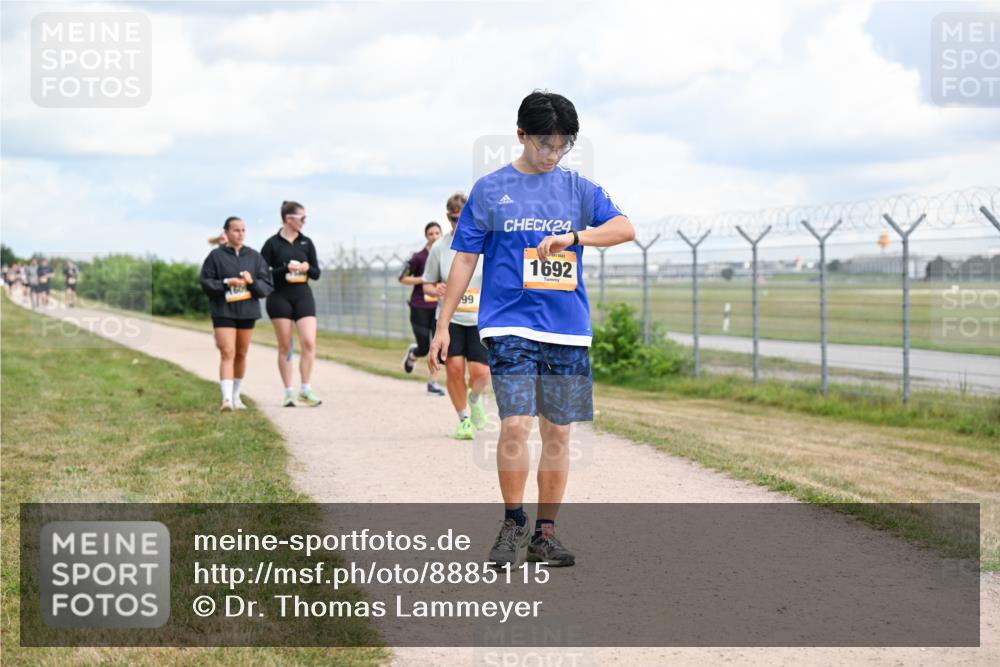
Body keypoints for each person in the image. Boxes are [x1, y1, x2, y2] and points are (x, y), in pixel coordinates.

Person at [429, 91, 635, 568]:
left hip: (567, 330)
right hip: (509, 325)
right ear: (521, 135)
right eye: (545, 144)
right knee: (516, 424)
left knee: (558, 433)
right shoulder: (490, 189)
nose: (552, 154)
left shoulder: (578, 189)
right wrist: (442, 326)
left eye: (563, 146)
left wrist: (576, 236)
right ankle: (512, 523)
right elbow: (463, 259)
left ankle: (545, 535)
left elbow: (624, 228)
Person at [423, 193, 490, 439]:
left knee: (481, 373)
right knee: (453, 369)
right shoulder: (440, 248)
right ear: (447, 218)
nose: (457, 224)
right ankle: (463, 419)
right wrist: (436, 288)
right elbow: (427, 285)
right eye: (453, 219)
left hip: (479, 318)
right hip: (450, 319)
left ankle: (474, 399)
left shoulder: (484, 242)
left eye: (462, 219)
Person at [199, 216, 274, 411]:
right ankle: (226, 400)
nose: (240, 234)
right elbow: (206, 283)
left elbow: (266, 287)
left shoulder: (255, 257)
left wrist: (251, 282)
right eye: (235, 230)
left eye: (243, 230)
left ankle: (236, 396)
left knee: (241, 354)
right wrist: (226, 283)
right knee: (227, 352)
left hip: (247, 311)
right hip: (223, 310)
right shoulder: (215, 257)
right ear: (226, 232)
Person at [261, 201, 323, 407]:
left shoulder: (306, 243)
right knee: (285, 345)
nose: (305, 222)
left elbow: (316, 273)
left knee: (309, 342)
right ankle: (289, 392)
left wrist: (306, 268)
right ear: (289, 219)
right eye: (302, 218)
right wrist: (284, 268)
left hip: (303, 295)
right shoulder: (272, 244)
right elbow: (263, 274)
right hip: (279, 298)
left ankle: (305, 389)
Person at [399, 221, 446, 396]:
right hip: (419, 306)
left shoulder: (446, 255)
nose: (434, 236)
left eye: (437, 233)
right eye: (431, 234)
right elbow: (402, 278)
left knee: (438, 347)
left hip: (439, 307)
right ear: (426, 236)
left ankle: (433, 383)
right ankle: (413, 353)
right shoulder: (418, 257)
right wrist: (425, 279)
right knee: (424, 348)